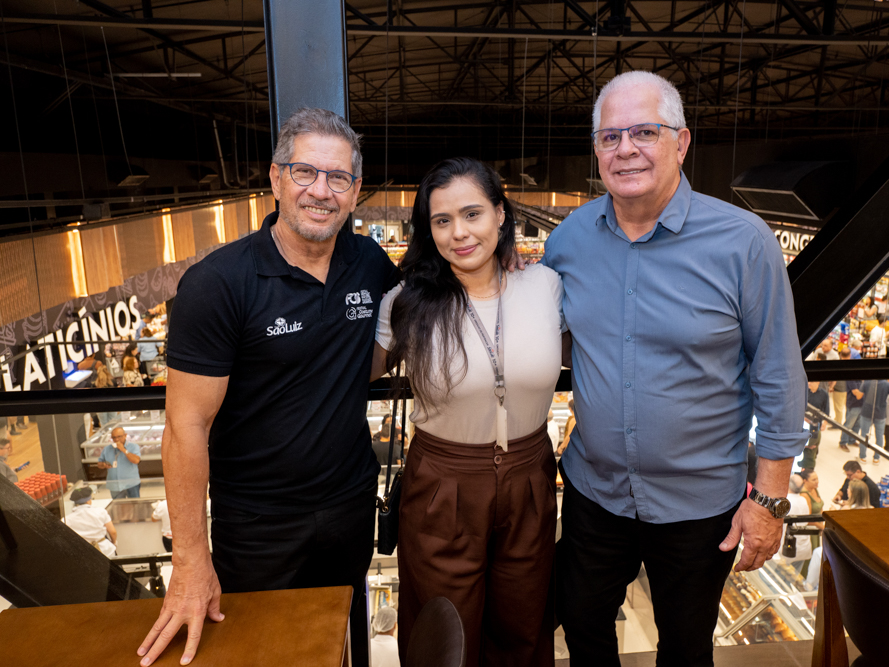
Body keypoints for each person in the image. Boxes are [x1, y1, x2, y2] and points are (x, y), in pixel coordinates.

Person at [542, 70, 807, 667]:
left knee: (686, 648)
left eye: (644, 132)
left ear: (681, 143)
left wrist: (769, 501)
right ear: (596, 150)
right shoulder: (569, 240)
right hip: (594, 492)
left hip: (700, 507)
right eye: (611, 137)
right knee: (580, 628)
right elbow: (548, 339)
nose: (626, 149)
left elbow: (779, 376)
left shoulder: (743, 243)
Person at [138, 108, 401, 667]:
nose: (320, 191)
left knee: (340, 641)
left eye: (337, 178)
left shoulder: (369, 263)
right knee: (261, 651)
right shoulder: (218, 284)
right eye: (305, 172)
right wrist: (189, 562)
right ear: (276, 178)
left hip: (349, 505)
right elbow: (186, 425)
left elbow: (376, 353)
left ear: (356, 193)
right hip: (257, 524)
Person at [372, 157, 564, 666]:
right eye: (441, 220)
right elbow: (347, 372)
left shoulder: (544, 287)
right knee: (445, 635)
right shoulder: (407, 303)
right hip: (442, 484)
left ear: (501, 214)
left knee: (523, 628)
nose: (459, 233)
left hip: (531, 478)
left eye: (473, 214)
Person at [856, 378, 889, 464]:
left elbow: (858, 396)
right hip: (880, 414)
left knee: (863, 435)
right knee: (879, 437)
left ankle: (862, 457)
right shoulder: (888, 385)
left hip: (866, 412)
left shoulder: (867, 382)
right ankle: (876, 458)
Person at [65, 486, 117, 557]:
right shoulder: (101, 512)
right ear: (88, 501)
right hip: (105, 551)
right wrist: (113, 543)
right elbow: (112, 532)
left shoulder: (67, 519)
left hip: (83, 554)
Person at [97, 427, 142, 499]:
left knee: (135, 505)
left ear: (125, 435)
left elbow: (136, 460)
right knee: (118, 506)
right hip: (114, 485)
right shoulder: (107, 449)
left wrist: (123, 450)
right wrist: (103, 465)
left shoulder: (133, 447)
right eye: (114, 437)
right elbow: (99, 463)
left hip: (131, 484)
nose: (116, 439)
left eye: (119, 437)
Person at [802, 382, 828, 469]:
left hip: (816, 424)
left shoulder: (824, 394)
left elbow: (826, 410)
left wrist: (825, 423)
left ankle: (812, 457)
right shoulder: (805, 392)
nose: (809, 383)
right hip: (804, 423)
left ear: (818, 383)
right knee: (808, 444)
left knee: (814, 443)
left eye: (812, 382)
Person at [798, 469, 824, 551]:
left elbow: (820, 508)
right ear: (805, 481)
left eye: (817, 479)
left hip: (816, 528)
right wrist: (822, 527)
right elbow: (808, 519)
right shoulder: (804, 495)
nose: (817, 482)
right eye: (814, 480)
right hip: (810, 531)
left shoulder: (814, 489)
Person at [839, 379, 865, 452]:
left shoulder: (862, 381)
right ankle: (843, 442)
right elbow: (855, 392)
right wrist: (866, 392)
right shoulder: (851, 380)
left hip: (862, 405)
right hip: (854, 405)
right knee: (849, 424)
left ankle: (852, 440)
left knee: (857, 425)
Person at [830, 348, 851, 424]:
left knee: (838, 407)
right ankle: (845, 422)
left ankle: (837, 423)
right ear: (850, 355)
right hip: (849, 389)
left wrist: (831, 387)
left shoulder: (838, 364)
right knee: (847, 407)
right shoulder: (852, 364)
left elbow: (835, 378)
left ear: (840, 355)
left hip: (839, 389)